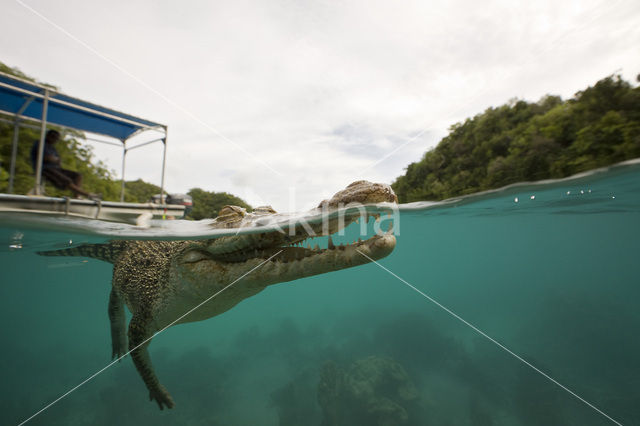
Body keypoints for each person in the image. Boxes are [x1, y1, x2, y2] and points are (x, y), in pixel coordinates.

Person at [30, 130, 97, 199]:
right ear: (49, 136)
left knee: (78, 175)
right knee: (66, 180)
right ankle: (88, 194)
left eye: (57, 139)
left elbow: (58, 159)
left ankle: (76, 196)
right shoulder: (40, 144)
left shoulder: (52, 147)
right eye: (54, 138)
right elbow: (46, 157)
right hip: (45, 169)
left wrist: (55, 159)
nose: (55, 141)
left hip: (57, 169)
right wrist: (54, 159)